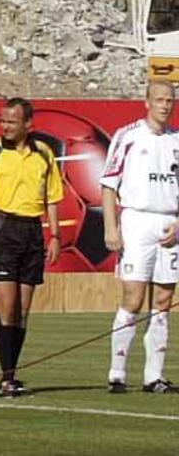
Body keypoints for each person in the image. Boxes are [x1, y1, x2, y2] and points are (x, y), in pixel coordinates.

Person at [0, 97, 65, 397]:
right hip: (3, 229)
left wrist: (56, 236)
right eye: (3, 121)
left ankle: (12, 372)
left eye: (11, 121)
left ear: (27, 124)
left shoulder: (44, 154)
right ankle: (5, 377)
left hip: (32, 231)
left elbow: (52, 198)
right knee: (6, 306)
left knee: (23, 309)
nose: (5, 126)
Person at [103, 80, 179, 393]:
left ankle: (153, 376)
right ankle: (117, 373)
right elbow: (109, 184)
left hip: (170, 224)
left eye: (170, 100)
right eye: (159, 99)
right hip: (136, 221)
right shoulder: (128, 136)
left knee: (163, 301)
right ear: (146, 102)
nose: (165, 105)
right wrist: (111, 227)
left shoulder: (177, 140)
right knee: (133, 297)